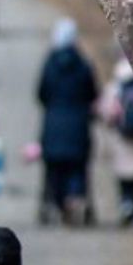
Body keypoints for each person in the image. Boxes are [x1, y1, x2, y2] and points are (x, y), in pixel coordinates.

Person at [35, 19, 99, 227]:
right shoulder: (83, 65)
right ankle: (76, 198)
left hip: (53, 126)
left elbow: (41, 94)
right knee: (77, 168)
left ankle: (59, 203)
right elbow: (93, 93)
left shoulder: (49, 64)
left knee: (54, 170)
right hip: (78, 126)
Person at [96, 57, 133, 227]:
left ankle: (126, 205)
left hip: (122, 142)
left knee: (124, 180)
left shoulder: (115, 88)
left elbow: (106, 113)